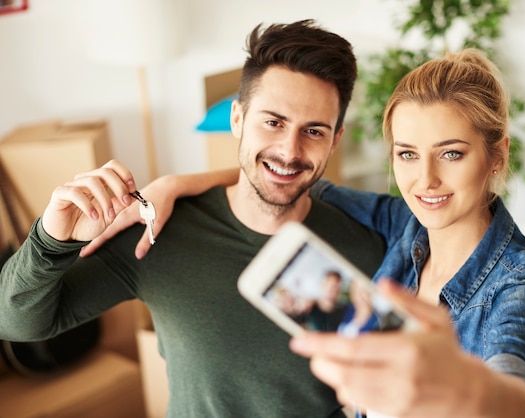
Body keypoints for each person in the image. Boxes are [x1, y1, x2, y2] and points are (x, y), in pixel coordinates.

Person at [89, 48, 525, 418]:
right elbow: (300, 181)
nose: (425, 181)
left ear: (497, 155)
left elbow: (517, 389)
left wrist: (470, 389)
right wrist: (175, 183)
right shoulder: (404, 224)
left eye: (451, 153)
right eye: (406, 154)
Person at [0, 20, 388, 417]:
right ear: (237, 119)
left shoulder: (367, 247)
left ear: (335, 139)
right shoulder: (159, 231)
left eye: (314, 131)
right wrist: (50, 242)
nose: (290, 150)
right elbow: (17, 325)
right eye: (273, 122)